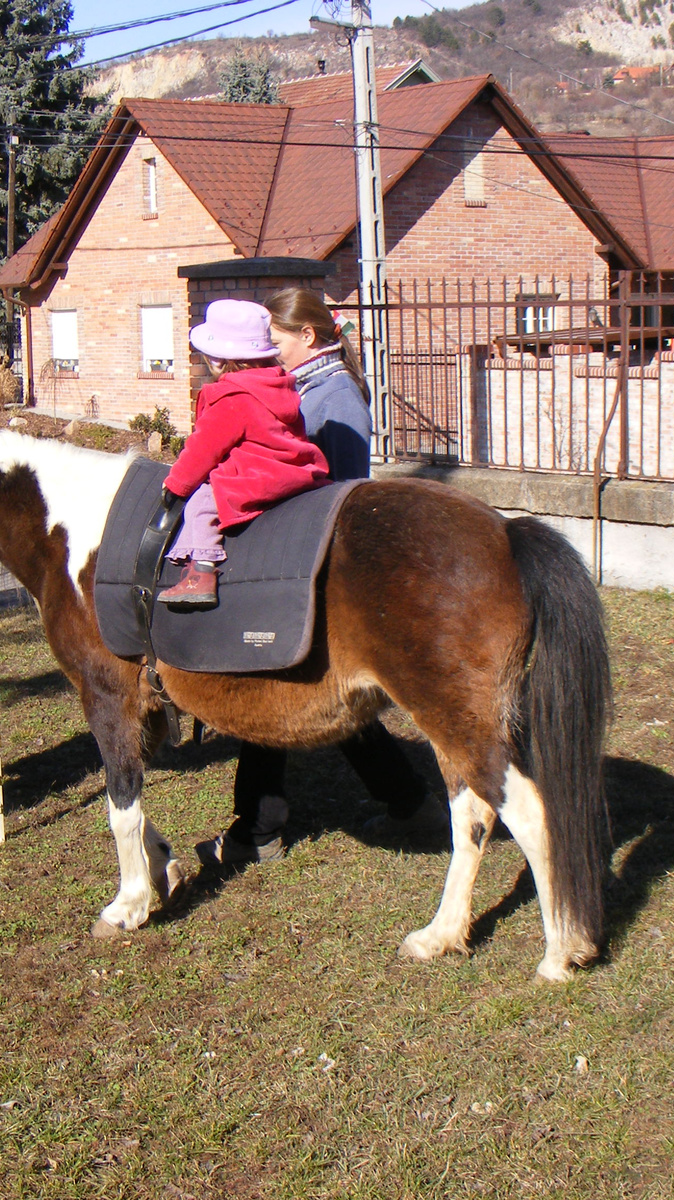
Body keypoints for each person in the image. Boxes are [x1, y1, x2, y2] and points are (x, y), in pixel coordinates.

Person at [194, 288, 446, 869]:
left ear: (307, 337)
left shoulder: (335, 396)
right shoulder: (307, 386)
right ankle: (409, 805)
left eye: (275, 342)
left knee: (276, 679)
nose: (268, 353)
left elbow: (339, 494)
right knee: (325, 694)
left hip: (312, 565)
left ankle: (258, 829)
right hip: (296, 559)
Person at [157, 298, 331, 610]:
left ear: (218, 359)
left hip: (256, 479)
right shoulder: (281, 386)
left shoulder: (232, 397)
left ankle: (201, 572)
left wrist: (176, 485)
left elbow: (202, 450)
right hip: (297, 473)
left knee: (200, 503)